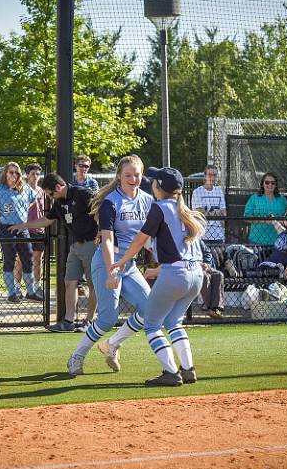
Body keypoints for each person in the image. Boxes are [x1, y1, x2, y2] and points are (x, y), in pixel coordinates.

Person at [111, 167, 205, 386]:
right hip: (196, 275)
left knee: (152, 324)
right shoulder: (185, 209)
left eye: (154, 181)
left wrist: (122, 260)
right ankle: (188, 369)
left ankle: (171, 372)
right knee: (174, 321)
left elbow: (139, 240)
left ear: (158, 187)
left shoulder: (160, 207)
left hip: (175, 274)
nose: (150, 183)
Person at [66, 155, 153, 376]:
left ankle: (111, 345)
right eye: (128, 175)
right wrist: (112, 270)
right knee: (106, 318)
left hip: (129, 264)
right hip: (107, 262)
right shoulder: (111, 202)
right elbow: (107, 240)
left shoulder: (147, 200)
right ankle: (77, 356)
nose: (133, 179)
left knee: (149, 308)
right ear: (119, 176)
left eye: (137, 174)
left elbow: (149, 238)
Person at [9, 172, 98, 332]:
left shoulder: (83, 194)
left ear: (58, 187)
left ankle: (89, 322)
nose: (50, 197)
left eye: (50, 194)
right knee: (69, 282)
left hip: (92, 244)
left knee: (93, 285)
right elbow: (47, 219)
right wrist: (24, 225)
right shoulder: (58, 203)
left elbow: (100, 211)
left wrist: (103, 234)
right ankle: (68, 321)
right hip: (75, 246)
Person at [0, 161, 43, 303]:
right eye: (11, 172)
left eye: (16, 172)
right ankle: (12, 293)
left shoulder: (24, 188)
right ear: (5, 173)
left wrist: (21, 214)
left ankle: (30, 291)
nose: (14, 175)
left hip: (22, 228)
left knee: (28, 259)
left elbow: (32, 200)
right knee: (10, 259)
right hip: (6, 228)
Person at [14, 163, 45, 298]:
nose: (35, 176)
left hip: (39, 230)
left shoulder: (41, 191)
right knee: (21, 260)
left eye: (38, 174)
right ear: (27, 175)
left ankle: (36, 287)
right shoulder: (21, 190)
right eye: (33, 174)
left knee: (38, 260)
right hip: (25, 229)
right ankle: (16, 288)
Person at [243, 172, 287, 245]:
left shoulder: (282, 200)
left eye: (273, 183)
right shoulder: (254, 198)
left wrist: (277, 221)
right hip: (256, 240)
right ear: (262, 184)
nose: (270, 185)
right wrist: (264, 220)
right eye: (267, 182)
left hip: (278, 240)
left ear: (276, 185)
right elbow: (246, 217)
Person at [191, 164, 226, 244]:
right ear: (205, 176)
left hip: (218, 233)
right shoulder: (197, 192)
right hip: (202, 234)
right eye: (210, 175)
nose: (212, 178)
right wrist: (216, 213)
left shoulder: (219, 191)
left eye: (215, 175)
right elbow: (199, 213)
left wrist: (210, 213)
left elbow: (223, 212)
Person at [199, 239, 224, 319]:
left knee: (218, 275)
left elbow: (207, 252)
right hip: (189, 266)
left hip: (203, 265)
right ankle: (209, 307)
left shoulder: (197, 240)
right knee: (205, 277)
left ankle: (215, 307)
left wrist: (206, 263)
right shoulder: (179, 239)